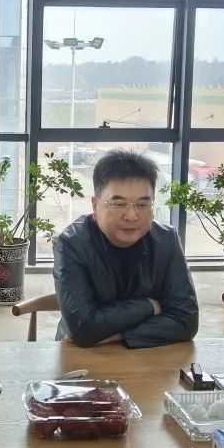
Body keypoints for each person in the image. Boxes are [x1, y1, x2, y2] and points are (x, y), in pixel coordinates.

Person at [52, 149, 199, 348]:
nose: (131, 216)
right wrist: (149, 306)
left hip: (146, 354)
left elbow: (186, 320)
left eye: (142, 204)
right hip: (82, 356)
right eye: (119, 203)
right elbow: (83, 328)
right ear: (95, 206)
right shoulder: (71, 244)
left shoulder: (167, 241)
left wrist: (122, 335)